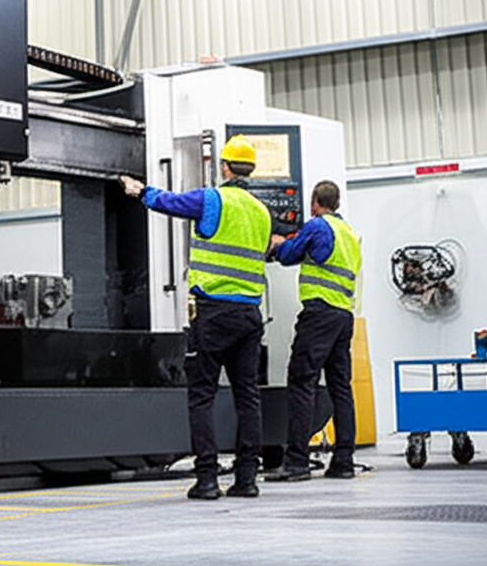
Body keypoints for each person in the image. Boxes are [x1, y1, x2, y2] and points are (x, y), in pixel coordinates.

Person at [120, 135, 272, 500]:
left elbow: (169, 202)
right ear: (250, 171)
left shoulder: (211, 199)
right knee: (247, 396)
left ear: (224, 167)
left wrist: (139, 190)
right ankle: (247, 478)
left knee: (202, 394)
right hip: (250, 314)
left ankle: (207, 479)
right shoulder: (262, 212)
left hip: (214, 314)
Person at [267, 180, 362, 481]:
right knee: (340, 387)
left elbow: (290, 255)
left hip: (319, 313)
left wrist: (279, 245)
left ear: (314, 203)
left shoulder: (318, 226)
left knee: (302, 381)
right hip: (344, 316)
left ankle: (296, 461)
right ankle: (344, 461)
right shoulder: (349, 234)